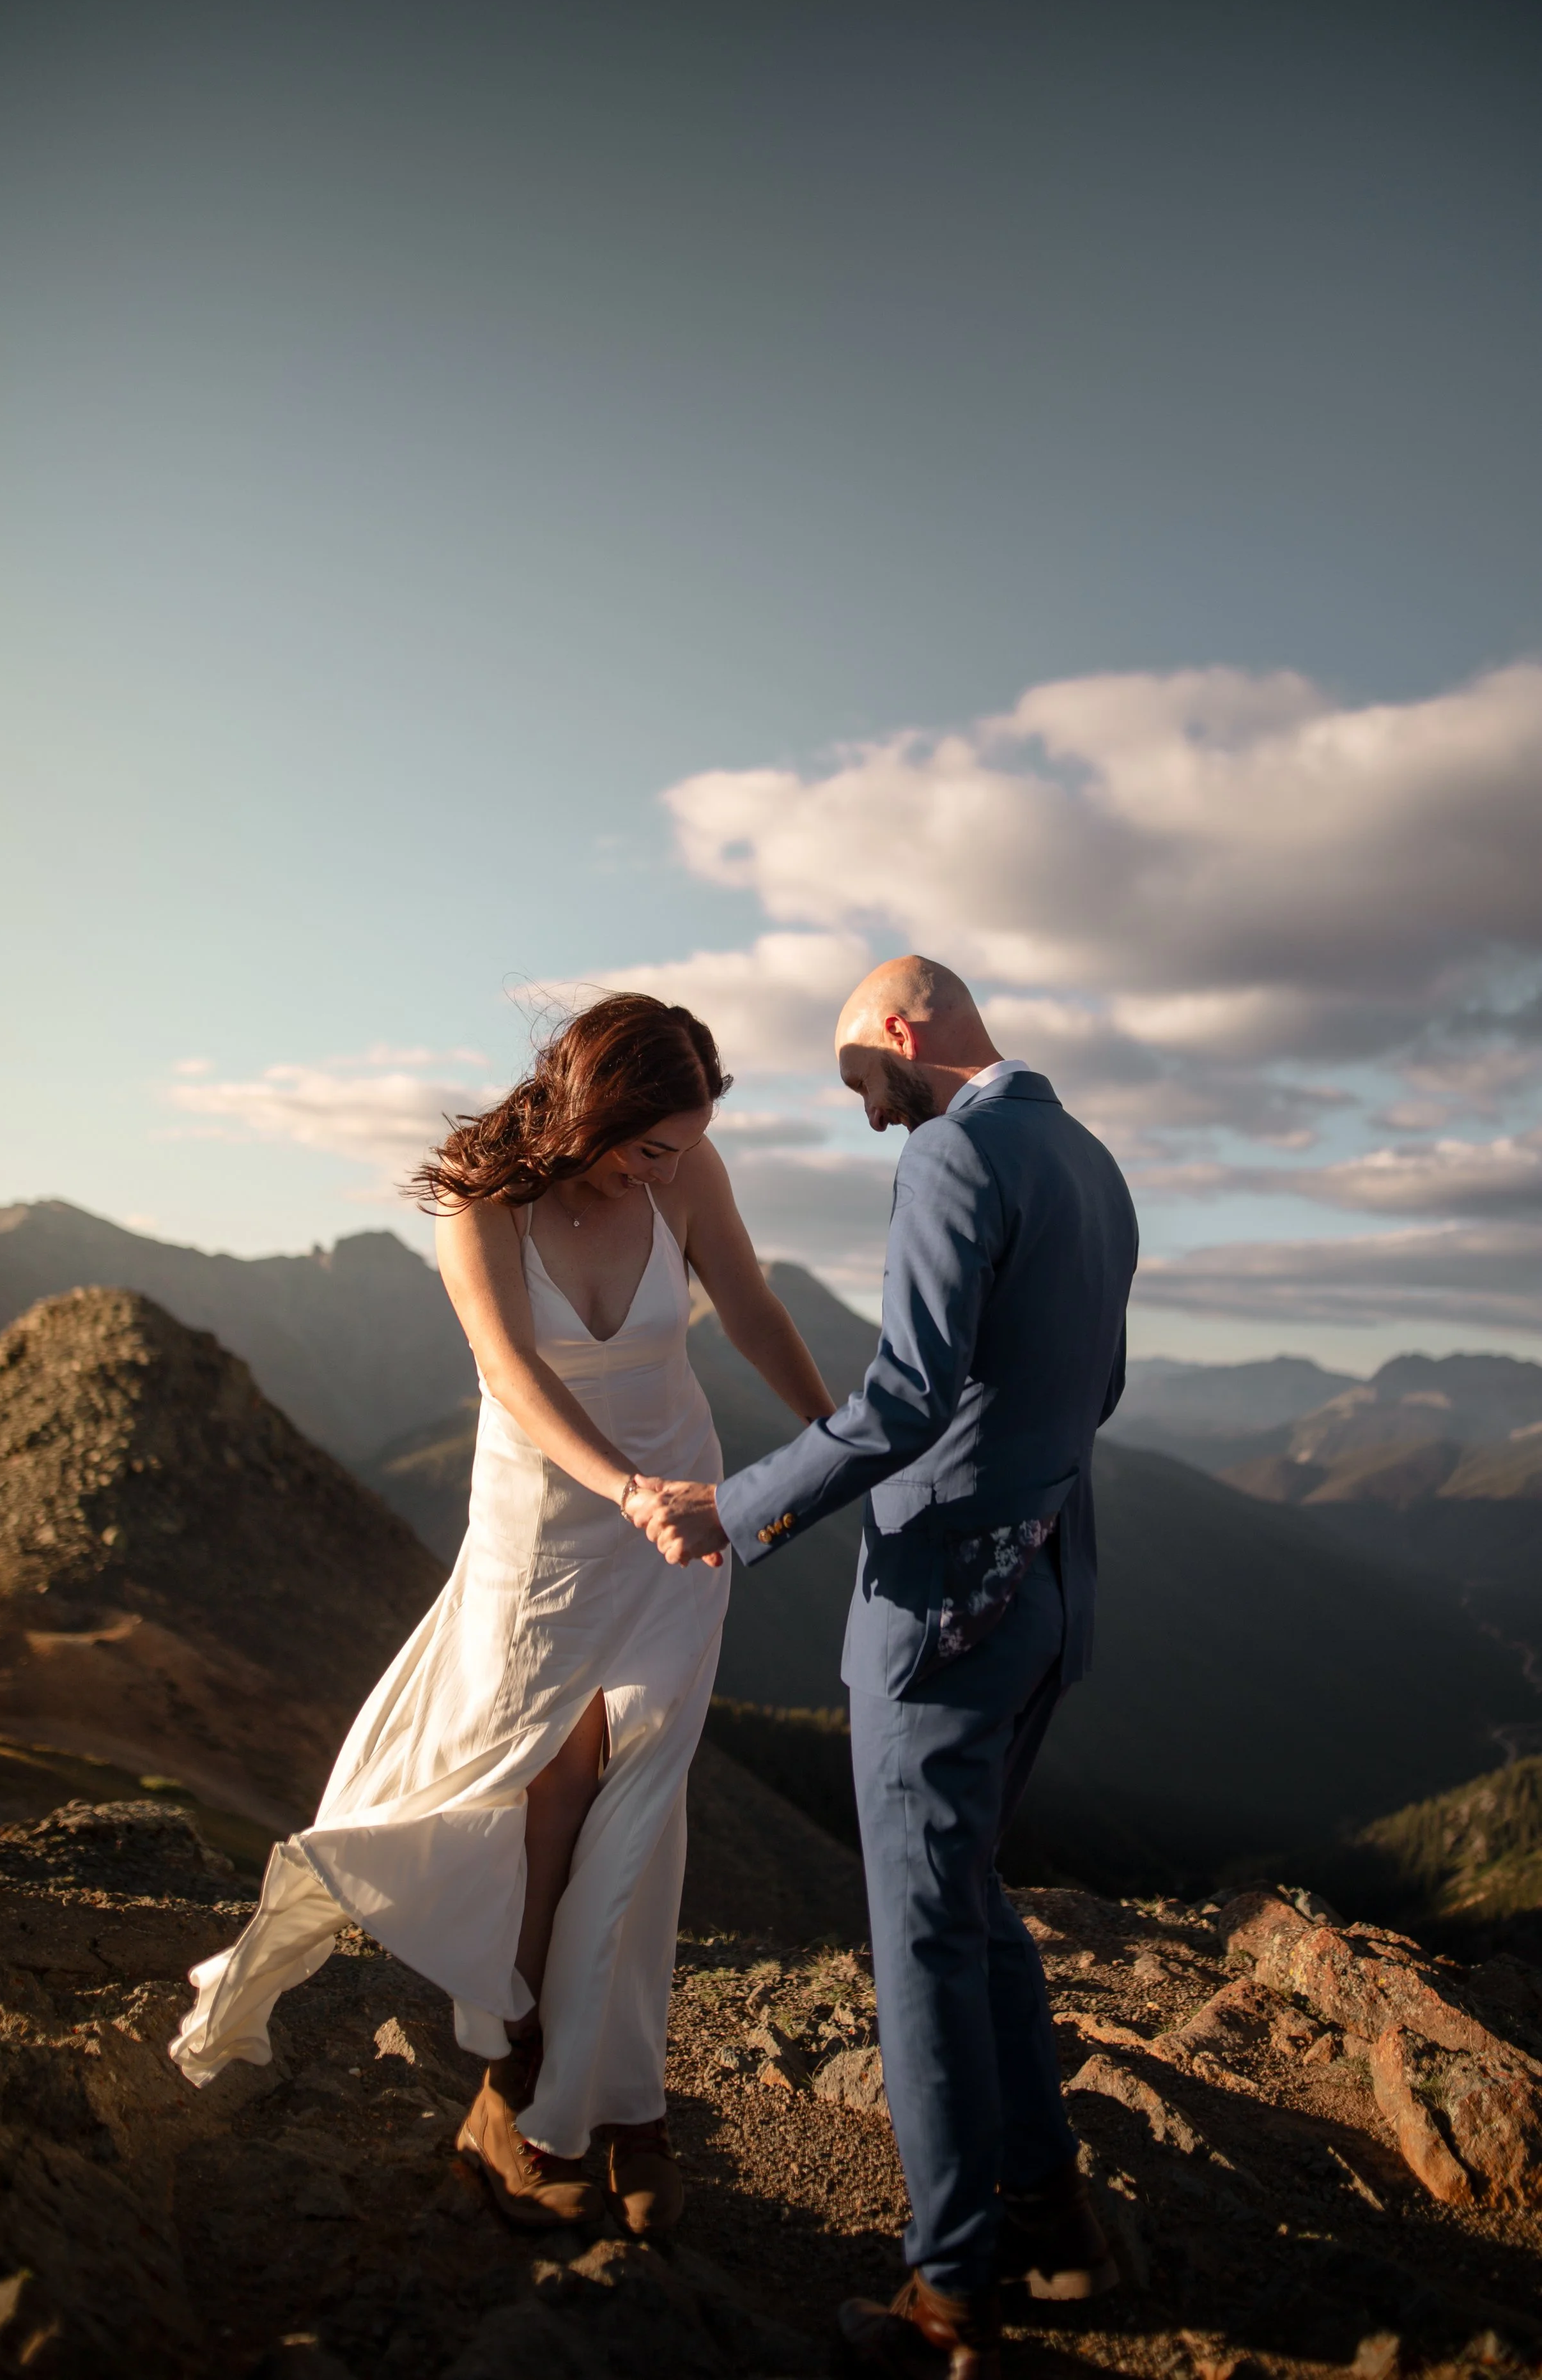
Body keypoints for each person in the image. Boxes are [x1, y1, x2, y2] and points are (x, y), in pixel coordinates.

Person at [169, 993, 835, 2239]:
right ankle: (523, 2090)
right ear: (593, 1109)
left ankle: (613, 2101)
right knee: (547, 1799)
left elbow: (748, 1307)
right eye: (649, 1147)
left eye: (684, 1147)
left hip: (675, 1530)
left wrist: (840, 1438)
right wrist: (618, 1487)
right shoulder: (481, 1202)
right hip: (547, 1522)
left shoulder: (687, 1173)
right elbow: (513, 1376)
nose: (669, 1169)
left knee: (640, 1800)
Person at [630, 957, 1137, 2377]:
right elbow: (1093, 1389)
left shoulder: (952, 1155)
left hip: (945, 1609)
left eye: (860, 1075)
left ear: (904, 1034)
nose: (864, 1111)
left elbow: (906, 1397)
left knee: (918, 1939)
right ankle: (1052, 2222)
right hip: (1047, 1588)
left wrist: (730, 1511)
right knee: (971, 1907)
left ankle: (950, 2295)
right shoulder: (1086, 1157)